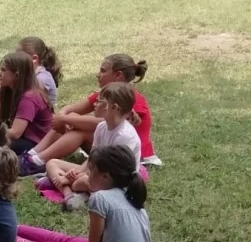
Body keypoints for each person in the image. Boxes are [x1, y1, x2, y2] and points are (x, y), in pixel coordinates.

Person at [16, 145, 151, 242]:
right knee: (65, 240)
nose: (86, 174)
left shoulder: (100, 199)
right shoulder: (130, 195)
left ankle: (7, 237)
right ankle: (15, 228)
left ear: (106, 176)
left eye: (91, 170)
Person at [19, 54, 156, 176]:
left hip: (130, 157)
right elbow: (71, 108)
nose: (98, 74)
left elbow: (103, 122)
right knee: (73, 117)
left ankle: (38, 160)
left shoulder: (131, 98)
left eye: (103, 70)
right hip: (108, 147)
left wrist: (66, 119)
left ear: (118, 75)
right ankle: (34, 154)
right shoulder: (106, 95)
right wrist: (63, 117)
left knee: (80, 130)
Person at [40, 82, 142, 210]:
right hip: (97, 173)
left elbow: (112, 172)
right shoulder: (101, 127)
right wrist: (78, 172)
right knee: (52, 163)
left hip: (116, 181)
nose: (94, 104)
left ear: (114, 108)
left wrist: (76, 177)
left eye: (99, 101)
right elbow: (93, 158)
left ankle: (65, 185)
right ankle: (69, 194)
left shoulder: (125, 135)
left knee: (80, 182)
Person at [0, 37, 62, 112]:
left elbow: (22, 94)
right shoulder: (21, 71)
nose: (15, 57)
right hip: (24, 108)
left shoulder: (43, 77)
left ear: (34, 59)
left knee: (0, 88)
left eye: (18, 55)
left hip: (36, 117)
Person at [0, 50, 54, 157]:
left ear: (17, 75)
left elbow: (15, 133)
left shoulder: (29, 98)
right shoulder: (13, 90)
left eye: (3, 70)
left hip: (37, 144)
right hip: (26, 139)